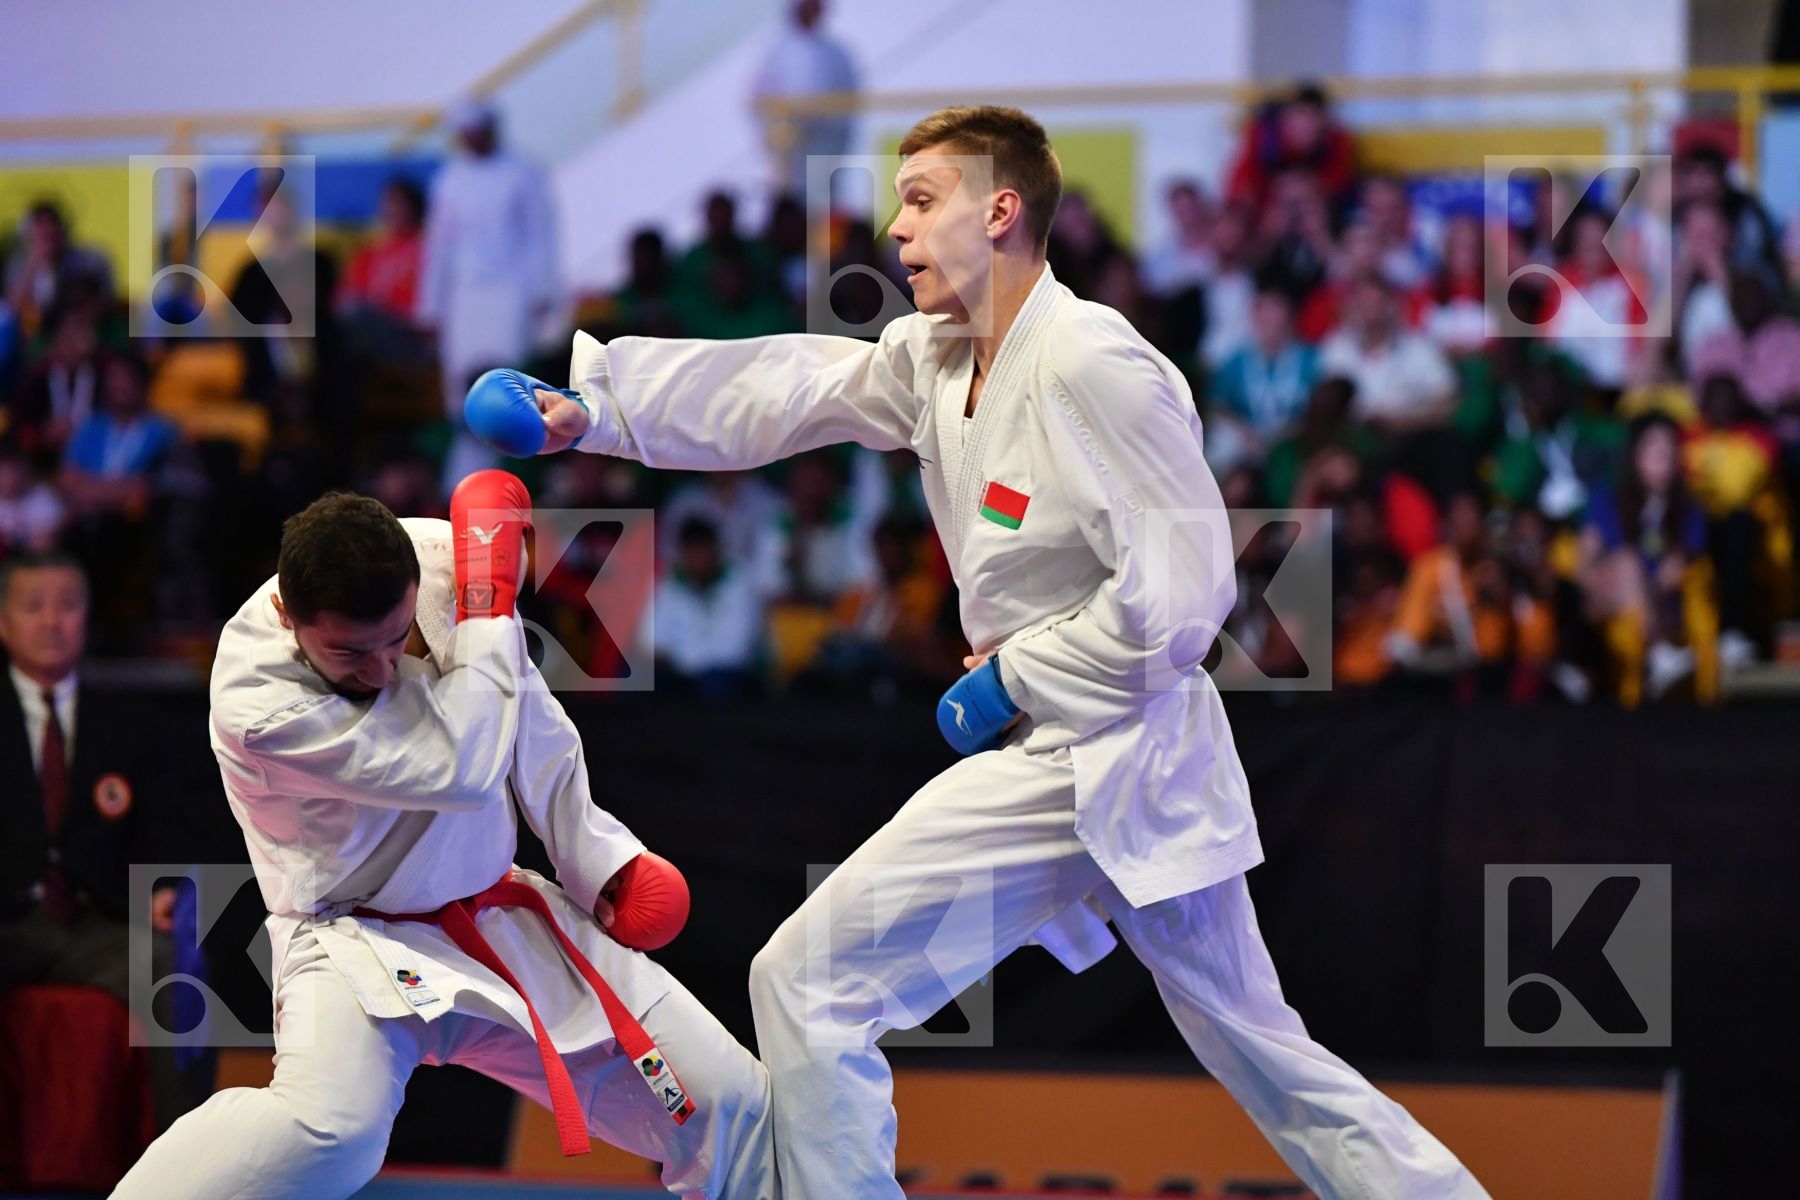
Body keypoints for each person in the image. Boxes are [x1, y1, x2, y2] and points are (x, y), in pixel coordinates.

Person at [468, 104, 1487, 1200]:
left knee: (815, 983)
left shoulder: (1092, 362)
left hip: (1114, 744)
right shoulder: (936, 353)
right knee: (1252, 1043)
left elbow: (1189, 594)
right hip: (1062, 749)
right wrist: (601, 408)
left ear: (1001, 212)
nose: (895, 231)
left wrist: (1018, 672)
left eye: (921, 201)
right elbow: (792, 386)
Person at [110, 483, 774, 1198]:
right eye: (348, 654)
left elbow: (527, 716)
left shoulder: (446, 559)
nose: (380, 666)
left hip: (497, 909)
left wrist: (598, 858)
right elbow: (459, 768)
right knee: (331, 1134)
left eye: (396, 637)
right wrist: (489, 614)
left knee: (729, 1099)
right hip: (350, 941)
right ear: (286, 614)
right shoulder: (256, 701)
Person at [0, 552, 201, 1146]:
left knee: (174, 965)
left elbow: (169, 824)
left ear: (86, 619)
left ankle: (186, 1162)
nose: (51, 621)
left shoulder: (129, 721)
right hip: (7, 926)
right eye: (33, 607)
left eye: (67, 605)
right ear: (4, 622)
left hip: (97, 927)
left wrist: (166, 890)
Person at [416, 101, 559, 487]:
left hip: (511, 293)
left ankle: (513, 472)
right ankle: (463, 479)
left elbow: (540, 236)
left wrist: (544, 291)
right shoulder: (449, 180)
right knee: (461, 390)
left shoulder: (524, 172)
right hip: (463, 298)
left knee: (511, 383)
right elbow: (438, 248)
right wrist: (429, 308)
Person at [751, 0, 860, 198]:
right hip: (790, 153)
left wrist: (822, 118)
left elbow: (849, 102)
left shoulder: (835, 53)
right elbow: (760, 99)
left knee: (825, 201)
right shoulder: (776, 53)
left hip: (825, 147)